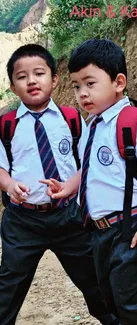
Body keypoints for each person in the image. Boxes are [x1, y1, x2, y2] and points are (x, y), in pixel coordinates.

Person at [0, 44, 121, 325]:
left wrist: (70, 186)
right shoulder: (7, 126)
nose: (31, 81)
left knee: (96, 283)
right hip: (23, 221)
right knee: (7, 289)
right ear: (12, 86)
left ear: (54, 79)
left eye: (39, 73)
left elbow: (87, 162)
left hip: (70, 217)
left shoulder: (72, 119)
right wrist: (9, 186)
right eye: (22, 76)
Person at [41, 39, 137, 325]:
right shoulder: (92, 125)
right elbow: (90, 168)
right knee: (110, 297)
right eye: (76, 86)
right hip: (100, 232)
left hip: (131, 226)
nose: (82, 93)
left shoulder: (134, 123)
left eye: (90, 83)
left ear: (118, 82)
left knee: (130, 299)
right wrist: (68, 186)